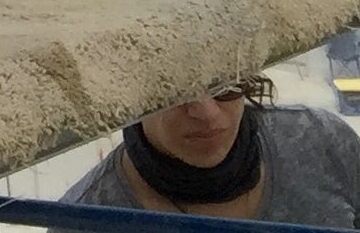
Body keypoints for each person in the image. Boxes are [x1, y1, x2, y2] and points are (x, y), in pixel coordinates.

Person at [64, 76, 360, 222]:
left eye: (226, 83)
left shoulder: (322, 143)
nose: (207, 114)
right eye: (174, 90)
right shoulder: (84, 220)